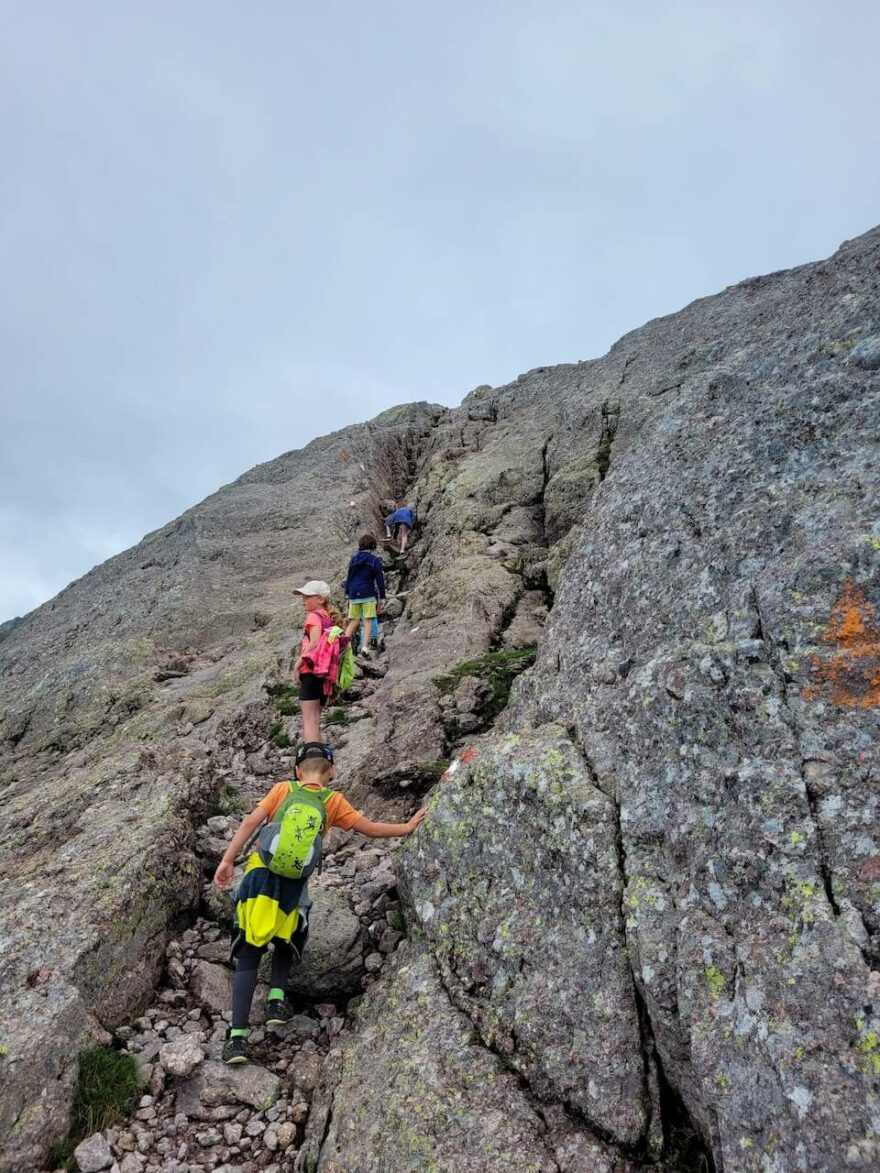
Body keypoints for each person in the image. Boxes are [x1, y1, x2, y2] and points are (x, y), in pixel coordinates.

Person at [213, 742, 427, 1064]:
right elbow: (370, 829)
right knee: (288, 938)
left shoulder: (282, 789)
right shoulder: (333, 801)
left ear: (298, 771)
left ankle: (238, 1039)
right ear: (332, 773)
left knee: (249, 952)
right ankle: (276, 999)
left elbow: (249, 824)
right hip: (293, 888)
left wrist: (228, 861)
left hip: (260, 878)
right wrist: (407, 826)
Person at [291, 581, 345, 744]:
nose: (303, 600)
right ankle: (320, 759)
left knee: (309, 720)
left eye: (307, 597)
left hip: (310, 671)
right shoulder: (329, 618)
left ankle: (311, 761)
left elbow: (314, 643)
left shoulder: (313, 616)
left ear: (320, 599)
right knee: (316, 720)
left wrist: (297, 666)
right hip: (324, 674)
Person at [344, 533, 386, 655]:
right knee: (368, 620)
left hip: (353, 593)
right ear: (373, 546)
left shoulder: (353, 559)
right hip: (367, 592)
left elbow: (349, 578)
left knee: (354, 621)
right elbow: (380, 580)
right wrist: (382, 597)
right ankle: (365, 648)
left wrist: (347, 595)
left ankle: (343, 644)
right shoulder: (374, 560)